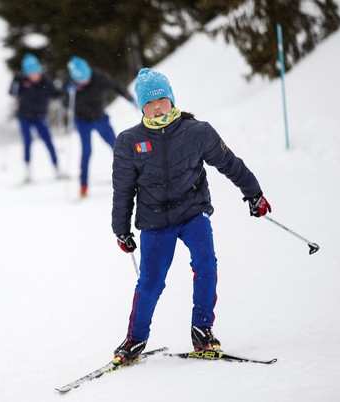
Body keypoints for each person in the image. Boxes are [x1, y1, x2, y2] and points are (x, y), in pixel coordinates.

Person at [110, 68, 272, 364]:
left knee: (206, 265)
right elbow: (123, 190)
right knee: (151, 282)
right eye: (149, 102)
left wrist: (254, 193)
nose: (157, 106)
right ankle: (135, 340)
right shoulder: (129, 142)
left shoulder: (197, 131)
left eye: (161, 99)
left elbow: (228, 162)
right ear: (141, 107)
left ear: (171, 99)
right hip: (155, 222)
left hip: (192, 211)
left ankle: (202, 330)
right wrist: (121, 229)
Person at [66, 56, 135, 197]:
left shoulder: (97, 76)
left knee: (116, 145)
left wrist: (130, 98)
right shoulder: (70, 83)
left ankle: (131, 176)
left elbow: (116, 86)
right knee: (86, 151)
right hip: (82, 121)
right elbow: (64, 100)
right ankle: (83, 185)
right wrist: (67, 94)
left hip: (100, 118)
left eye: (86, 77)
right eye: (81, 80)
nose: (85, 81)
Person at [9, 53, 63, 182]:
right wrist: (15, 81)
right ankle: (27, 172)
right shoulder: (22, 81)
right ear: (27, 73)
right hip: (24, 117)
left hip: (40, 117)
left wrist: (65, 91)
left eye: (36, 72)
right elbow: (12, 93)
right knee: (27, 143)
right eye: (31, 73)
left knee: (48, 142)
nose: (35, 76)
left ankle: (57, 168)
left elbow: (55, 94)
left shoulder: (45, 80)